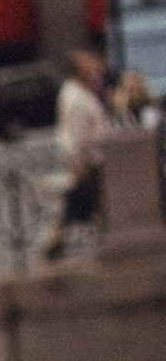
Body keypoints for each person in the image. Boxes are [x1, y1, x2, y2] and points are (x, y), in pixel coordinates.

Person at [46, 50, 114, 261]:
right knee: (86, 200)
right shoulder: (76, 97)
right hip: (89, 160)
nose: (93, 68)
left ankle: (57, 241)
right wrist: (80, 163)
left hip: (89, 159)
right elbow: (76, 135)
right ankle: (56, 242)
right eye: (87, 65)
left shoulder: (78, 91)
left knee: (88, 202)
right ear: (77, 70)